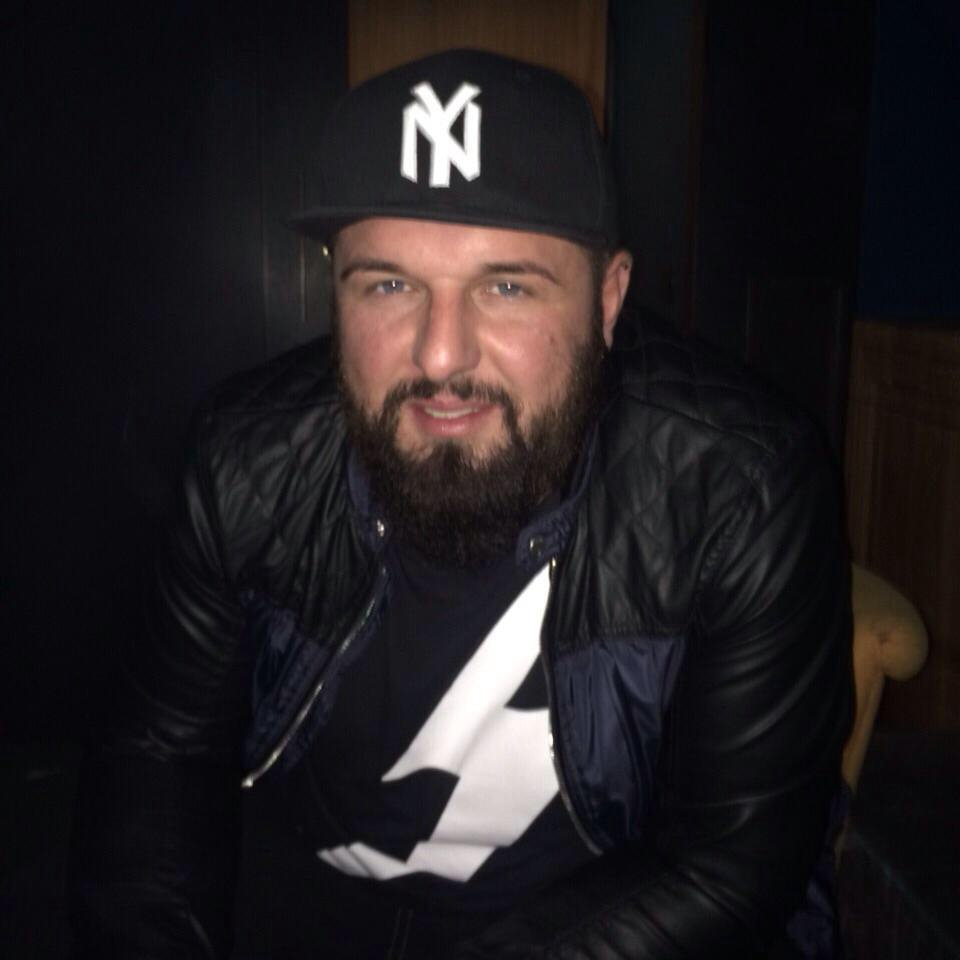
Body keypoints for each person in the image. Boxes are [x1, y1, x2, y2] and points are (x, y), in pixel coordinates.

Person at [71, 49, 852, 959]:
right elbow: (158, 759)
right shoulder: (243, 458)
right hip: (305, 903)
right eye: (390, 284)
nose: (441, 354)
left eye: (506, 286)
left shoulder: (739, 487)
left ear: (607, 301)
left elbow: (725, 867)